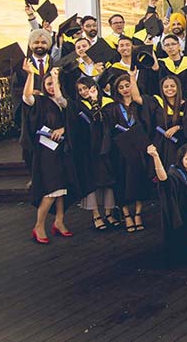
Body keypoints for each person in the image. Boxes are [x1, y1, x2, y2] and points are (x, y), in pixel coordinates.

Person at [20, 62, 75, 243]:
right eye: (49, 84)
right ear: (43, 86)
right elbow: (27, 97)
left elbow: (71, 120)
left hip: (62, 150)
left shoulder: (63, 102)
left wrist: (63, 129)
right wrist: (29, 75)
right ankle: (39, 225)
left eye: (55, 84)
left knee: (61, 188)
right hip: (45, 151)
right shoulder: (41, 101)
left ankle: (59, 221)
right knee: (52, 189)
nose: (52, 87)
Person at [103, 72, 154, 233]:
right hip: (120, 151)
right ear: (116, 90)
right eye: (121, 87)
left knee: (138, 181)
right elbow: (108, 130)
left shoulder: (139, 105)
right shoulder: (112, 108)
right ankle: (126, 214)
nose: (125, 89)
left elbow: (147, 124)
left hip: (138, 149)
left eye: (127, 86)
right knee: (122, 182)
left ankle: (138, 213)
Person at [66, 77, 117, 231]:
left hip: (107, 146)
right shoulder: (77, 106)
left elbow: (105, 121)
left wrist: (96, 101)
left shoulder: (107, 101)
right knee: (93, 181)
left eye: (85, 88)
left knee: (109, 180)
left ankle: (109, 213)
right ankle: (96, 215)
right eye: (80, 90)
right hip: (88, 149)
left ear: (93, 87)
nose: (83, 92)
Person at [132, 74, 187, 166]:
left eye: (172, 86)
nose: (169, 89)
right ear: (162, 89)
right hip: (161, 147)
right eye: (166, 87)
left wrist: (178, 127)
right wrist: (132, 77)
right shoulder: (156, 102)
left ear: (178, 87)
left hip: (179, 147)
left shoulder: (185, 104)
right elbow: (136, 98)